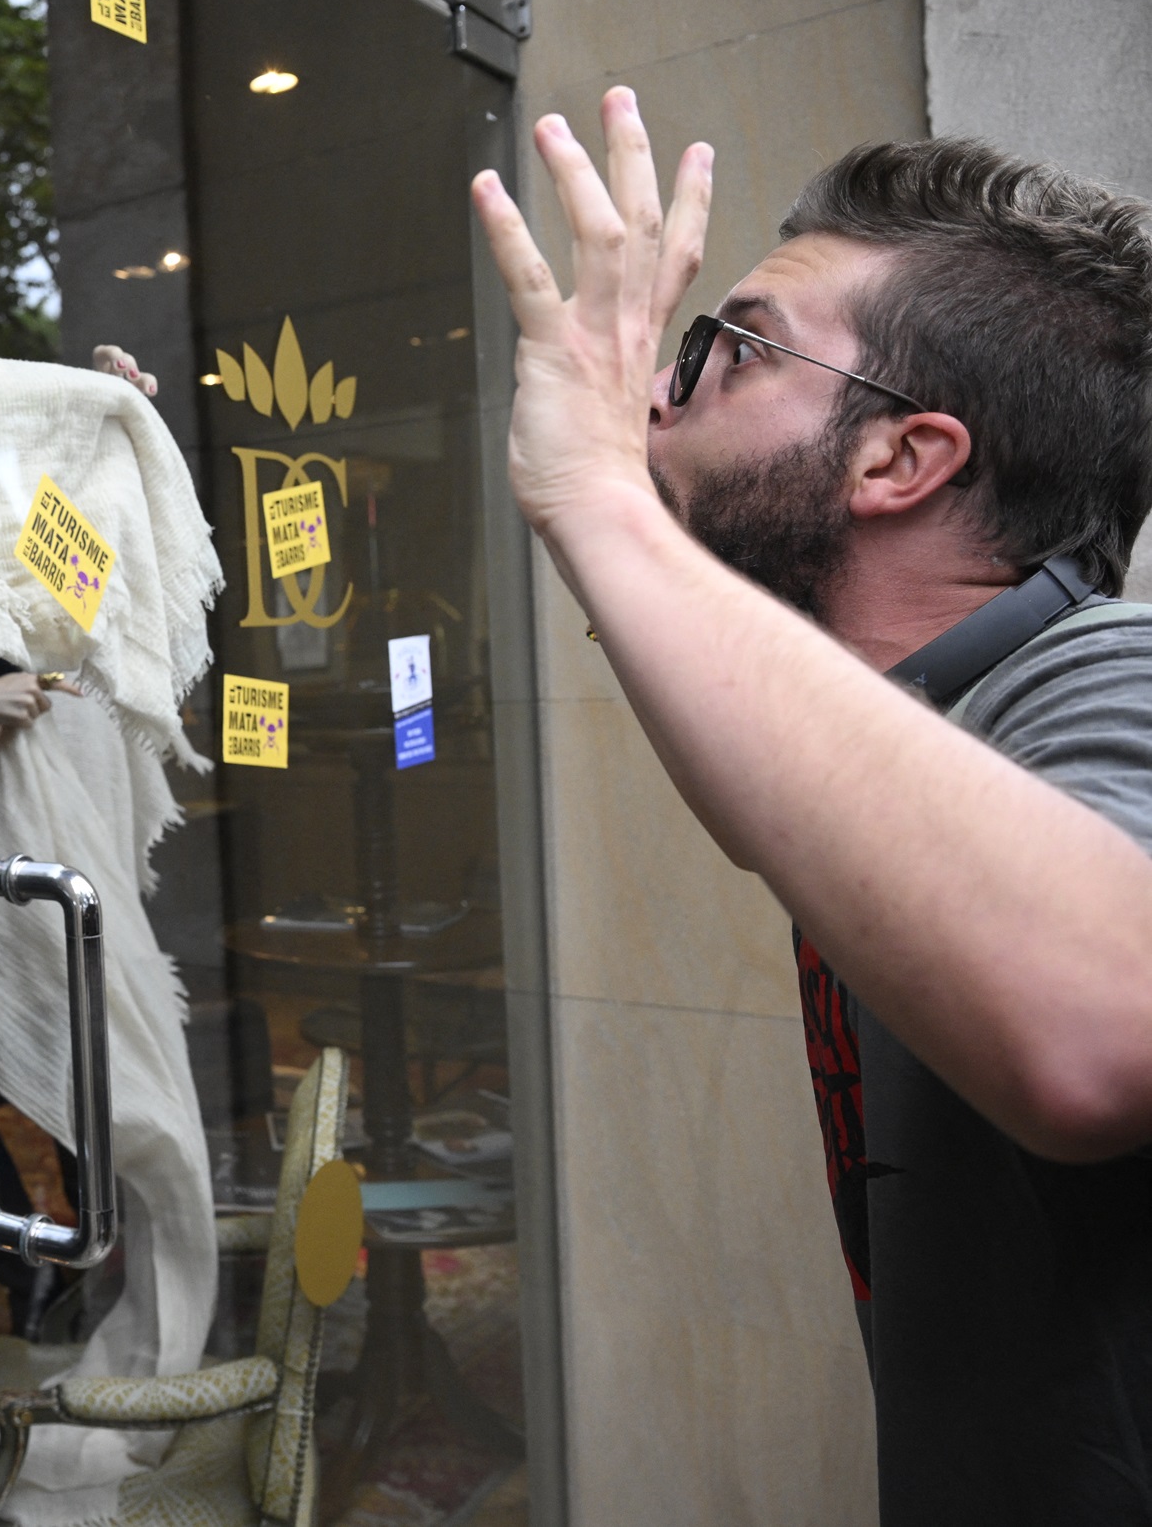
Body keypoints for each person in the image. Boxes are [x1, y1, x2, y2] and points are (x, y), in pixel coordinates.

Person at [471, 92, 1152, 1521]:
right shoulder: (917, 722)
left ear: (901, 456)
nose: (660, 386)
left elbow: (1100, 1029)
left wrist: (594, 486)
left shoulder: (1105, 674)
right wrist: (619, 514)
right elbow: (757, 790)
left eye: (728, 350)